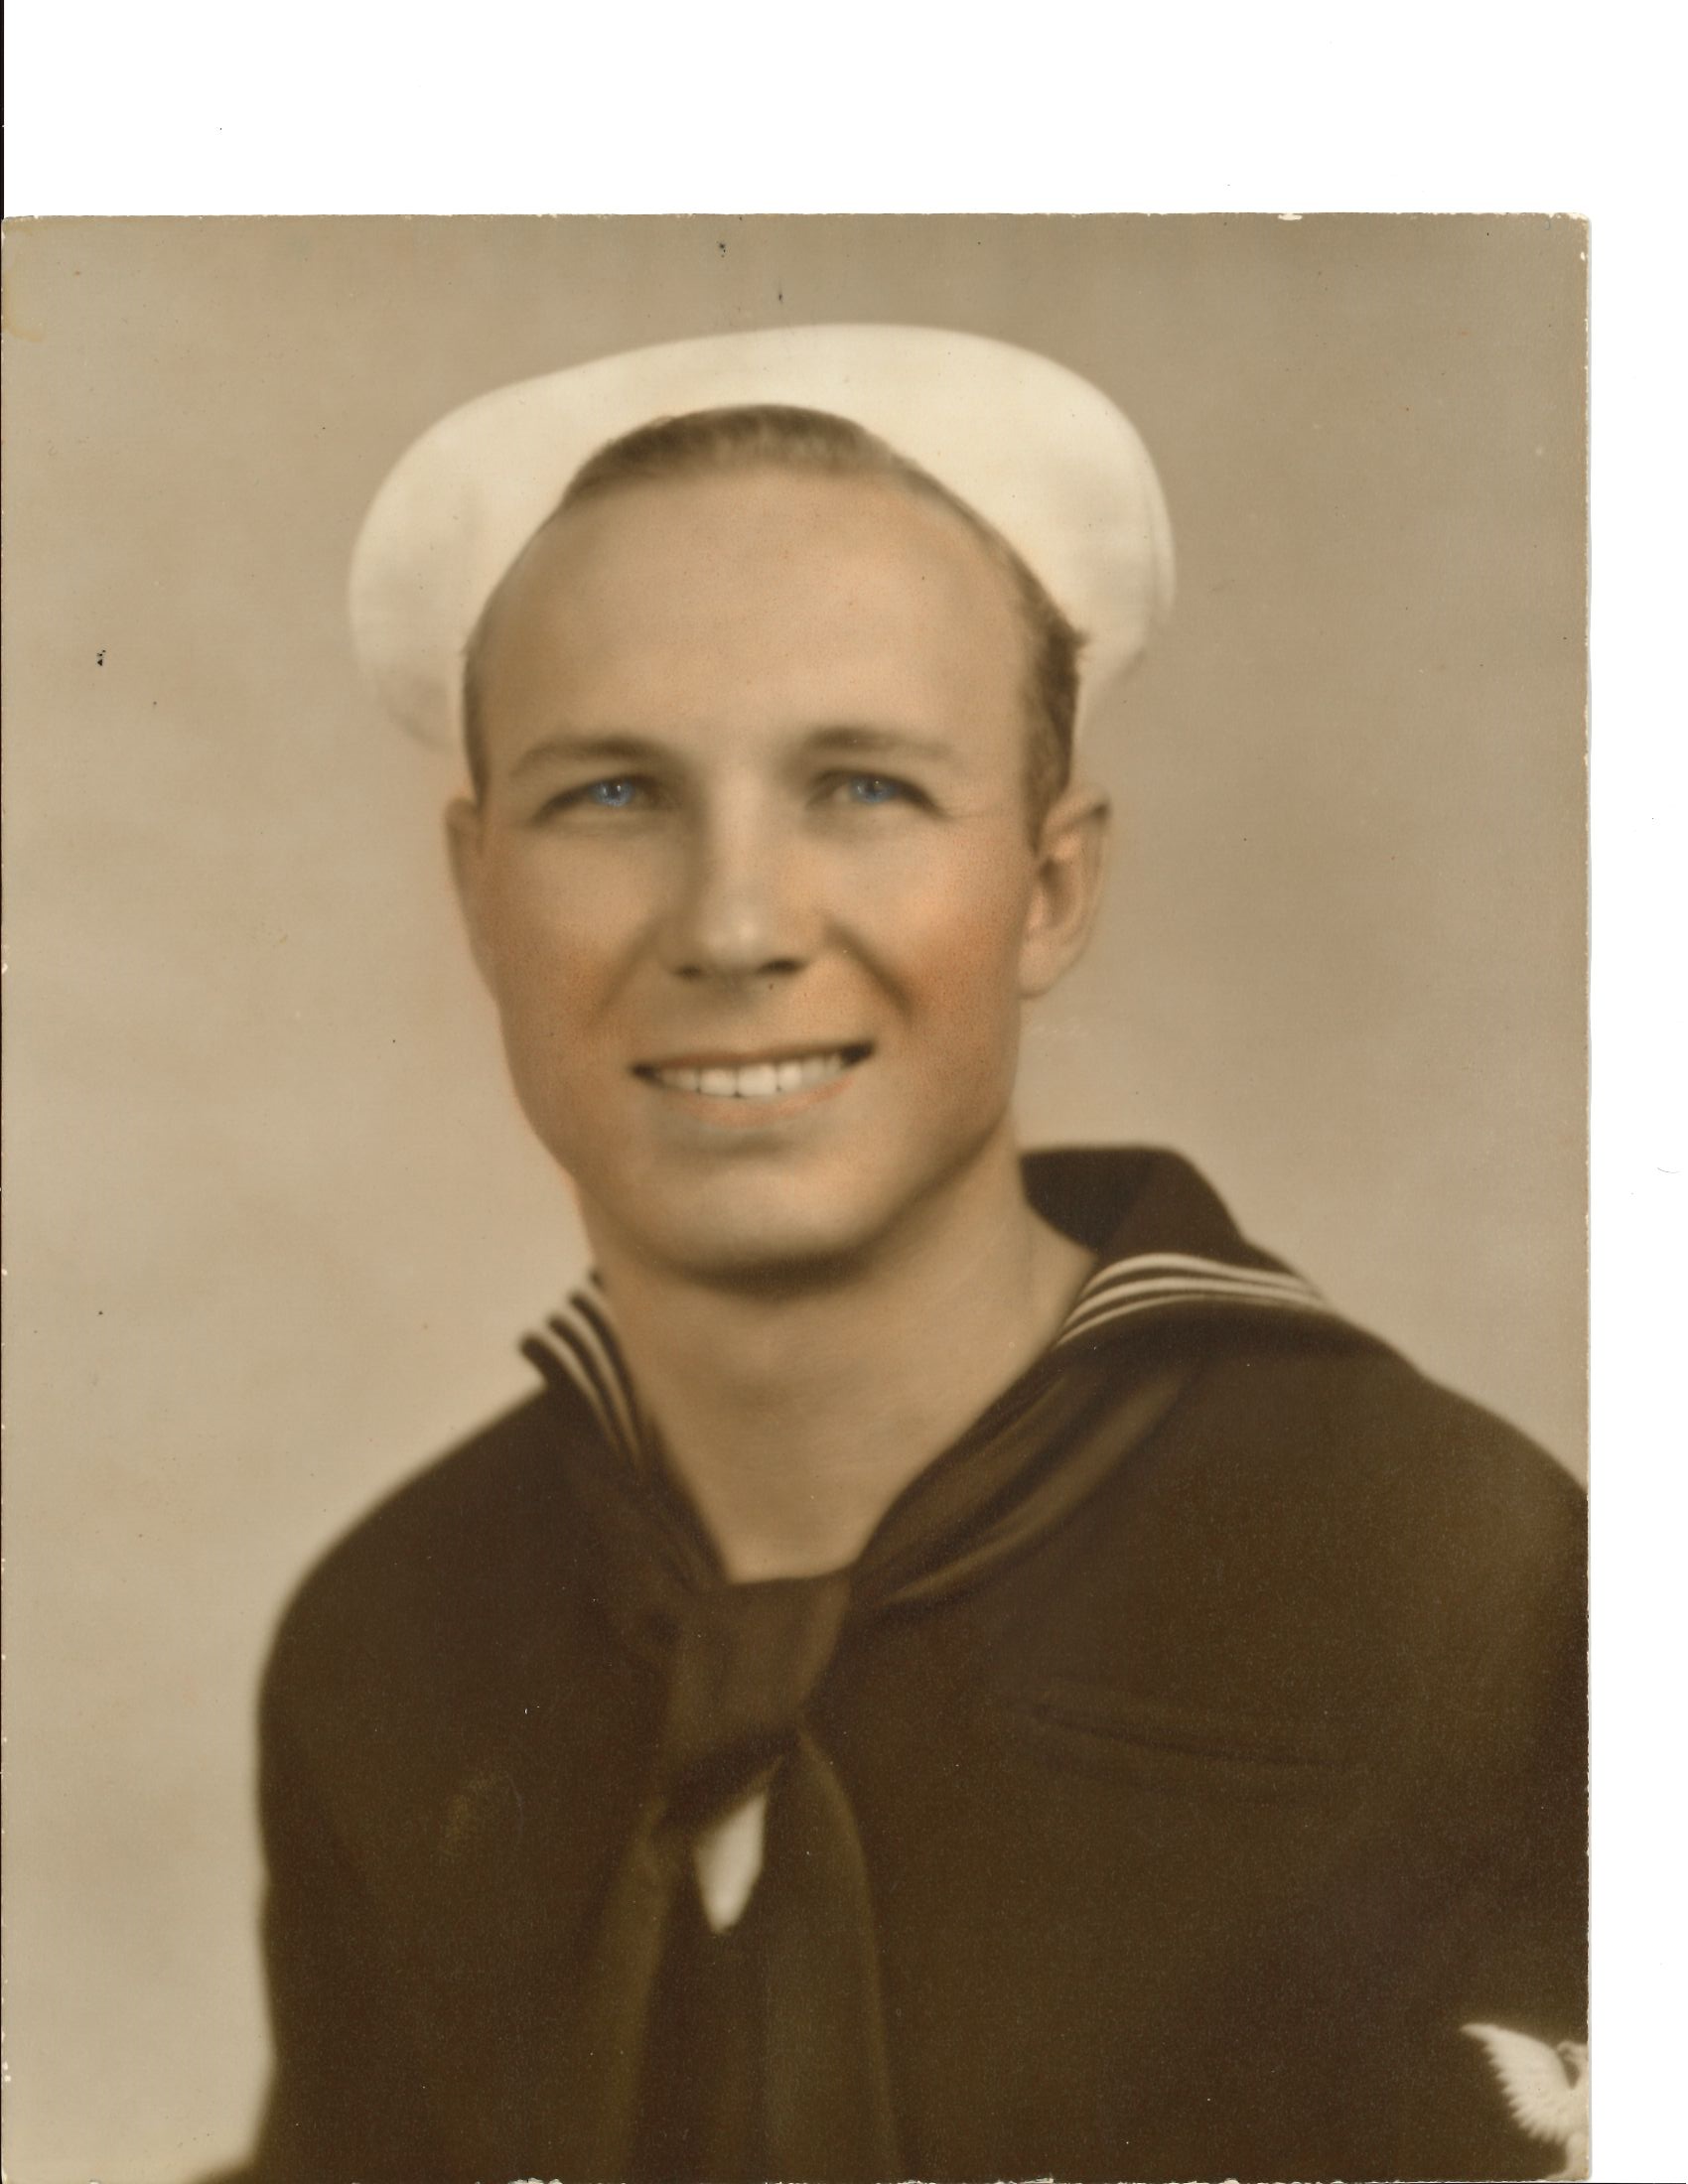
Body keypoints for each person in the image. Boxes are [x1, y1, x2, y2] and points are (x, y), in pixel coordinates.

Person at [230, 327, 1586, 2183]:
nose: (734, 925)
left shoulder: (1451, 1589)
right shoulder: (397, 1637)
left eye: (863, 786)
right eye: (611, 794)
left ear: (1049, 888)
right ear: (479, 892)